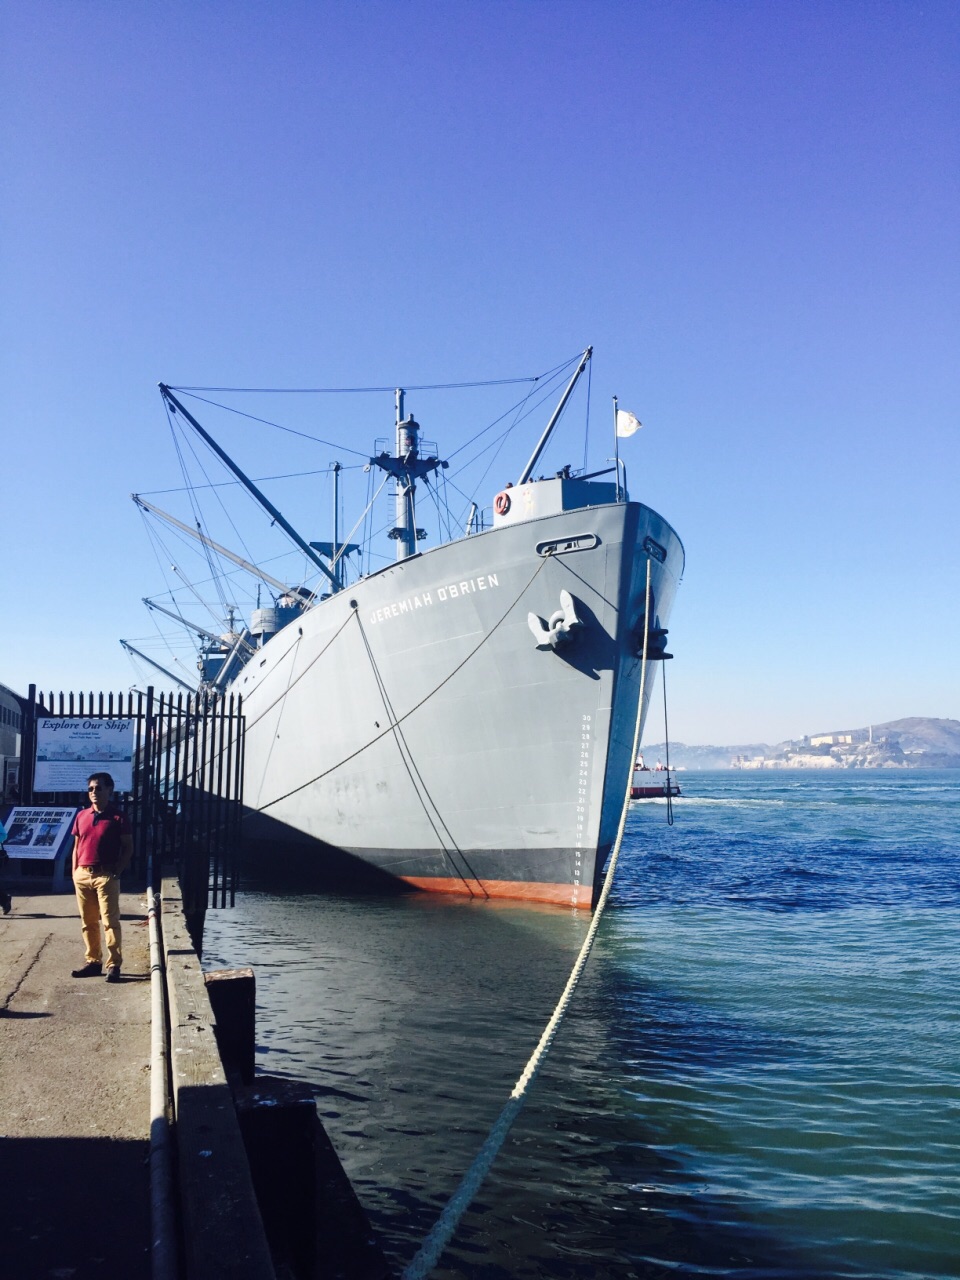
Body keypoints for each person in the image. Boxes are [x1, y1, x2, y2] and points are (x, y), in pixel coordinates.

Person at [70, 772, 133, 982]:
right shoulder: (81, 816)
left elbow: (128, 847)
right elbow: (77, 846)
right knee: (88, 922)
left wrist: (117, 871)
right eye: (90, 789)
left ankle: (114, 964)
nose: (94, 792)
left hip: (106, 875)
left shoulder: (118, 817)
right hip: (83, 875)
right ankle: (93, 961)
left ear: (110, 790)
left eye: (98, 788)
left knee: (109, 921)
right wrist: (74, 872)